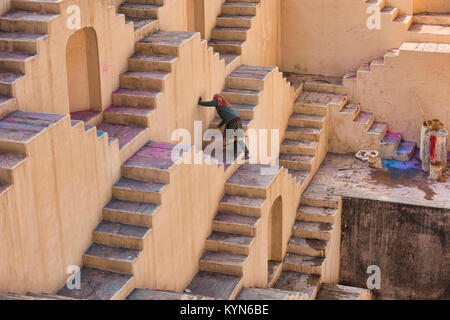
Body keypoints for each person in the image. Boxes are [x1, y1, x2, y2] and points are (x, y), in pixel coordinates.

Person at [198, 94, 250, 160]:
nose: (214, 100)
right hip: (238, 120)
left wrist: (200, 102)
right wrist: (219, 126)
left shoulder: (218, 100)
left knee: (231, 138)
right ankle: (244, 152)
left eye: (214, 99)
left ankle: (236, 145)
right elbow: (225, 118)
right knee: (236, 137)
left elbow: (209, 103)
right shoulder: (225, 105)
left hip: (232, 122)